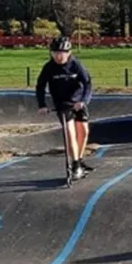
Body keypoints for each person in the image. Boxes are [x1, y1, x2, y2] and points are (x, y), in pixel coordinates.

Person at [36, 36, 94, 186]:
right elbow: (40, 86)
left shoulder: (76, 65)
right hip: (62, 104)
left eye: (62, 53)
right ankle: (75, 165)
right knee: (70, 133)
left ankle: (79, 159)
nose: (58, 56)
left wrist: (83, 101)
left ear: (69, 53)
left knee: (84, 131)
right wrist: (42, 104)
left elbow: (87, 83)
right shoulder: (49, 68)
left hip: (78, 103)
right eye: (55, 53)